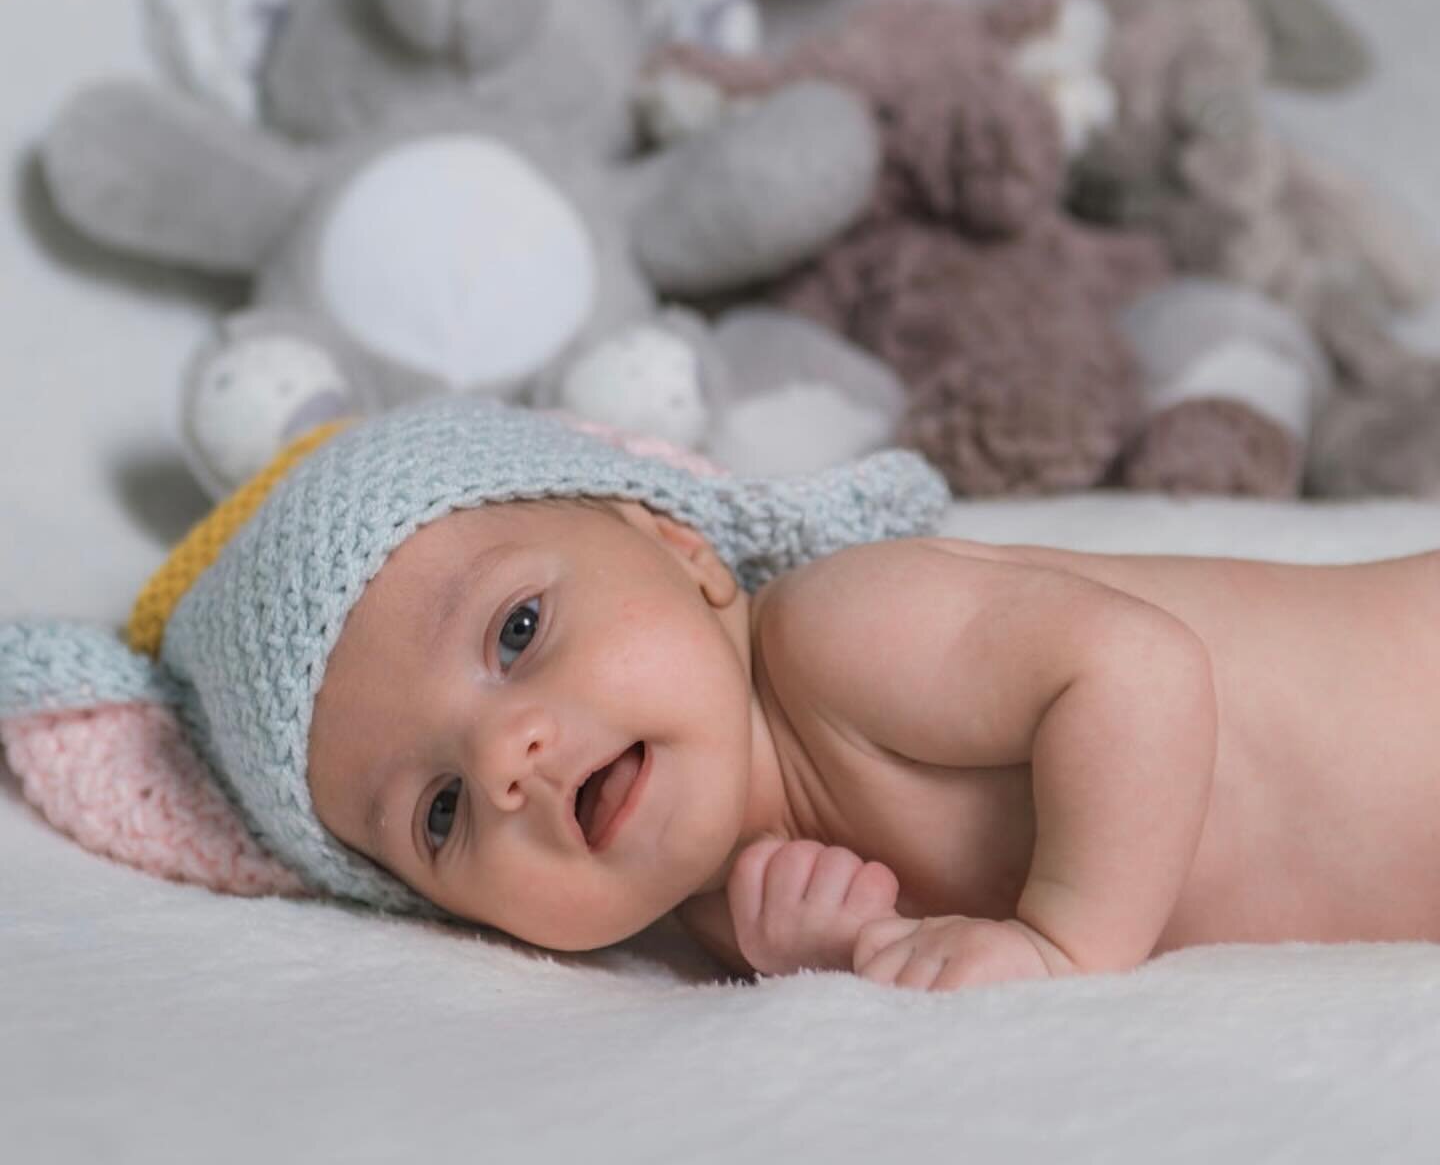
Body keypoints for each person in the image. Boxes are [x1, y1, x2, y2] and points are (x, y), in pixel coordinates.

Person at [128, 398, 1440, 991]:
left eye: (519, 631)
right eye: (439, 814)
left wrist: (1065, 947)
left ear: (682, 549)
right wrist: (844, 948)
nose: (509, 758)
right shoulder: (722, 921)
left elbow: (1138, 674)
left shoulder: (837, 634)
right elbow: (920, 932)